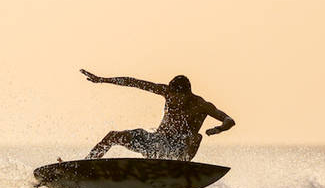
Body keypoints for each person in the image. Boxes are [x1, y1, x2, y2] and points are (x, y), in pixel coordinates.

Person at [81, 69, 235, 161]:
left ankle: (180, 168)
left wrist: (219, 129)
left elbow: (229, 120)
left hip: (179, 150)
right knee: (113, 136)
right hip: (156, 143)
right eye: (170, 96)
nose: (171, 100)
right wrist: (103, 80)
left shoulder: (200, 105)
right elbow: (134, 82)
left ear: (187, 94)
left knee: (196, 137)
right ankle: (86, 166)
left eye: (176, 97)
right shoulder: (166, 92)